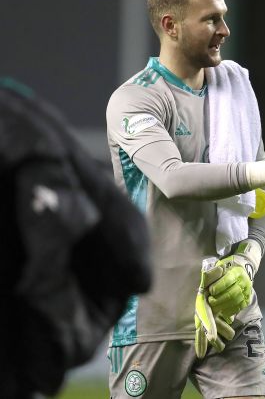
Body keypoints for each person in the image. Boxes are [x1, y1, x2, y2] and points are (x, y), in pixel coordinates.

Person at [105, 0, 265, 399]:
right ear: (170, 25)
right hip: (154, 315)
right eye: (211, 19)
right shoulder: (136, 99)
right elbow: (174, 178)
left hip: (230, 308)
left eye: (224, 17)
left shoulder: (234, 91)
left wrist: (247, 260)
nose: (224, 30)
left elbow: (259, 199)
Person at [0, 78, 152, 399]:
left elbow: (128, 253)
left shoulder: (18, 128)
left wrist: (42, 349)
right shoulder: (21, 112)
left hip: (45, 314)